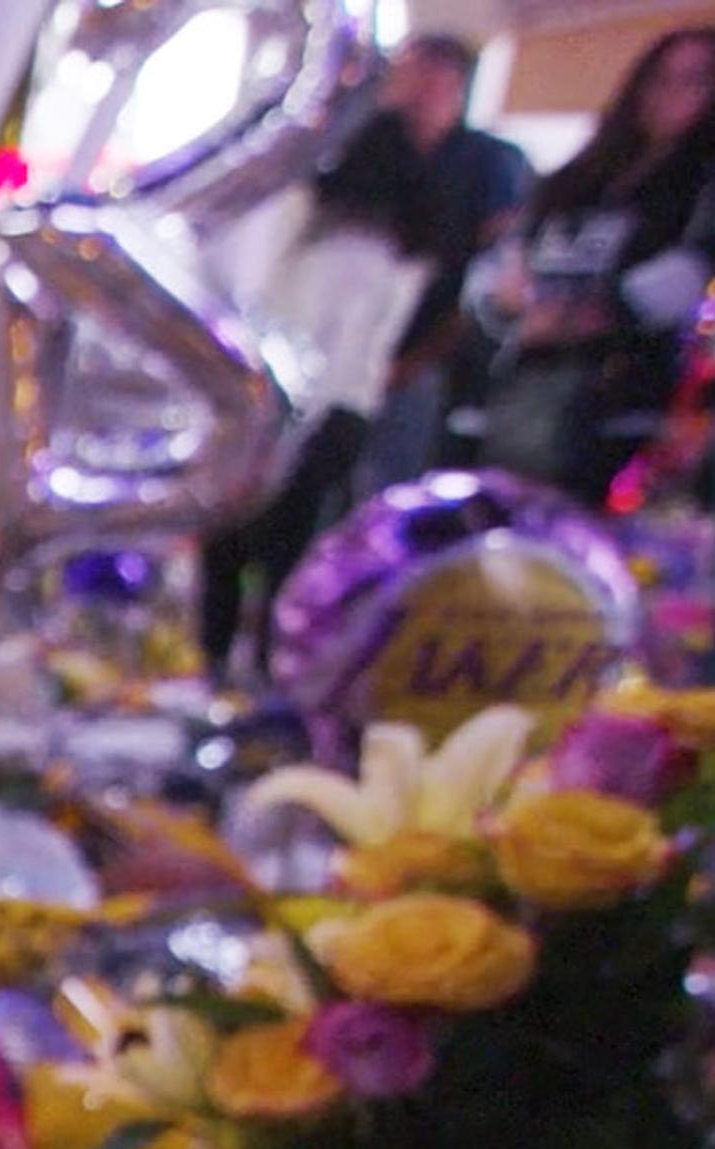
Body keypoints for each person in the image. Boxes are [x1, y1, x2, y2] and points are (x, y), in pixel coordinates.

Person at [200, 125, 440, 680]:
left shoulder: (329, 251)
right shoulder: (397, 260)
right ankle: (274, 666)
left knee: (240, 543)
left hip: (296, 414)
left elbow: (304, 347)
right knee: (292, 550)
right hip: (343, 416)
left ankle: (229, 664)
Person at [472, 27, 715, 501]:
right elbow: (505, 259)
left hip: (626, 402)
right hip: (521, 385)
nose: (672, 94)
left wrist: (579, 317)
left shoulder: (700, 186)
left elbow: (686, 275)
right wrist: (507, 303)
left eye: (695, 81)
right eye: (661, 79)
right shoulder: (579, 176)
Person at [362, 34, 534, 490]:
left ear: (453, 83)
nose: (407, 88)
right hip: (353, 343)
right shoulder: (370, 153)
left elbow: (496, 265)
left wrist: (421, 356)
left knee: (394, 484)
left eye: (422, 75)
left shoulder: (490, 161)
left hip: (432, 350)